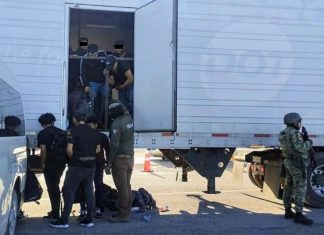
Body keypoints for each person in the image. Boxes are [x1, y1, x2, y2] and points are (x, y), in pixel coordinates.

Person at [50, 111, 100, 229]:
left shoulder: (73, 131)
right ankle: (89, 219)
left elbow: (69, 150)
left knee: (69, 190)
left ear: (74, 119)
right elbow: (98, 149)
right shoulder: (94, 132)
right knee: (89, 191)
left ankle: (64, 220)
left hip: (77, 166)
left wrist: (75, 159)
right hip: (91, 166)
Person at [278, 112, 313, 225]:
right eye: (298, 122)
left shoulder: (283, 132)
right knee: (300, 188)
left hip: (288, 161)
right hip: (297, 163)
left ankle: (288, 211)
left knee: (288, 186)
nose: (300, 124)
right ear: (293, 122)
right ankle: (299, 215)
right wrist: (308, 143)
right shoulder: (294, 133)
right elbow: (299, 147)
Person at [106, 102, 134, 223]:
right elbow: (124, 109)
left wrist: (109, 162)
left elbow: (114, 145)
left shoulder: (116, 124)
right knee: (127, 186)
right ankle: (126, 210)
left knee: (122, 188)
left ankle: (123, 215)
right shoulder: (129, 118)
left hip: (120, 160)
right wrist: (116, 99)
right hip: (130, 158)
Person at [37, 113, 66, 221]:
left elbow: (43, 151)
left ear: (41, 124)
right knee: (55, 186)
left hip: (50, 163)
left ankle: (55, 213)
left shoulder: (42, 134)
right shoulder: (62, 132)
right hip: (61, 163)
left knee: (52, 188)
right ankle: (56, 211)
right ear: (53, 121)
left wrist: (43, 163)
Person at [85, 116, 110, 218]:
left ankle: (98, 206)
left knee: (97, 185)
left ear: (96, 125)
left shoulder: (102, 136)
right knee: (92, 185)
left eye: (91, 124)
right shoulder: (99, 136)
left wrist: (108, 162)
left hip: (97, 164)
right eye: (88, 125)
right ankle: (93, 207)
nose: (89, 126)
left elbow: (108, 150)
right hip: (92, 164)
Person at [82, 44, 108, 121]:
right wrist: (85, 85)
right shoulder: (84, 58)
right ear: (88, 53)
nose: (93, 56)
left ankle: (101, 119)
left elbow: (111, 60)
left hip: (104, 82)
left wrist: (107, 68)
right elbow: (82, 73)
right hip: (92, 83)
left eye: (95, 54)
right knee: (92, 101)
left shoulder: (103, 54)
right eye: (91, 55)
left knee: (106, 100)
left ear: (97, 52)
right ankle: (92, 120)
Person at [109, 40, 134, 115]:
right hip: (120, 83)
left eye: (120, 47)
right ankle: (126, 116)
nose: (118, 49)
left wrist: (123, 85)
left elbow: (131, 78)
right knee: (122, 101)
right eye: (117, 47)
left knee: (130, 100)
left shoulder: (129, 55)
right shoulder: (113, 56)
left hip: (129, 82)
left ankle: (132, 119)